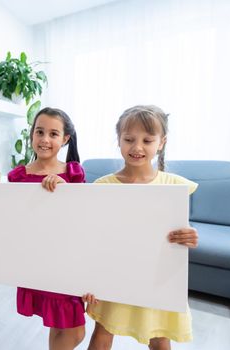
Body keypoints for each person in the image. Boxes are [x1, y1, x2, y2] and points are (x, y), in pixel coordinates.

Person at [82, 105, 199, 350]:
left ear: (161, 142)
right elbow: (92, 238)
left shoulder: (175, 186)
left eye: (147, 140)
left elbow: (180, 231)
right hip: (115, 274)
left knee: (159, 337)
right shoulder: (103, 186)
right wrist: (88, 279)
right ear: (119, 140)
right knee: (103, 331)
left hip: (157, 278)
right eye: (129, 139)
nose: (137, 147)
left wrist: (189, 236)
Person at [0, 107, 86, 350]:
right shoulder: (18, 176)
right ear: (32, 135)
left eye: (53, 134)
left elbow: (83, 216)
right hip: (37, 260)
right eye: (40, 132)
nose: (45, 140)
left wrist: (65, 187)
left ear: (65, 139)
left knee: (70, 328)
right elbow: (8, 220)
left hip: (67, 260)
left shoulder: (73, 173)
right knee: (66, 327)